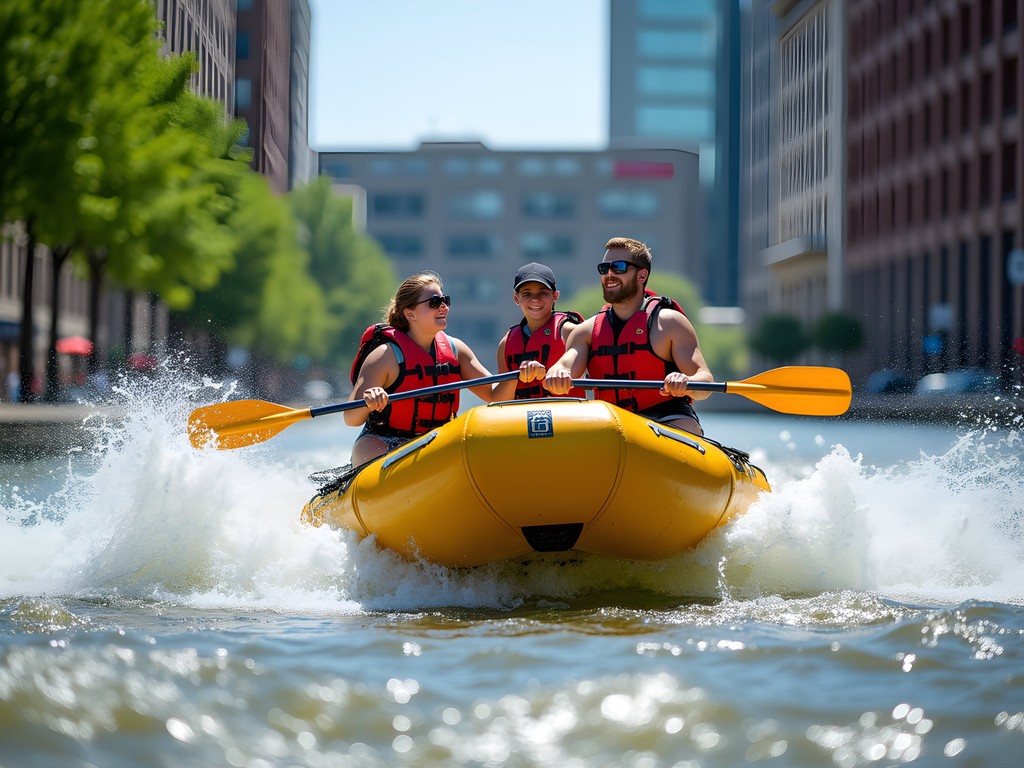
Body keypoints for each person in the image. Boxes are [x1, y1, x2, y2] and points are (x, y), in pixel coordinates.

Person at [345, 271, 544, 465]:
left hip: (437, 440)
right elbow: (351, 418)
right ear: (410, 313)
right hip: (386, 441)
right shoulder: (384, 356)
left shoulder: (456, 350)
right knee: (367, 450)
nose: (443, 307)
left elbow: (495, 396)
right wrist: (369, 400)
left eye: (445, 300)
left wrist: (517, 374)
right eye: (434, 303)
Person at [542, 237, 713, 435]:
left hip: (667, 419)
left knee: (685, 428)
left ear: (642, 276)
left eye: (619, 267)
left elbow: (705, 384)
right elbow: (565, 364)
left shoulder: (670, 323)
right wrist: (558, 373)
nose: (609, 274)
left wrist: (686, 381)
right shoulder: (585, 332)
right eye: (604, 268)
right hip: (611, 424)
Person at [493, 262, 585, 401]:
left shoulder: (571, 331)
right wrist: (518, 374)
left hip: (567, 419)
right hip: (521, 420)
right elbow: (500, 400)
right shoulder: (506, 343)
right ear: (516, 298)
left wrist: (545, 374)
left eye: (543, 293)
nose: (535, 299)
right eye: (527, 294)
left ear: (555, 296)